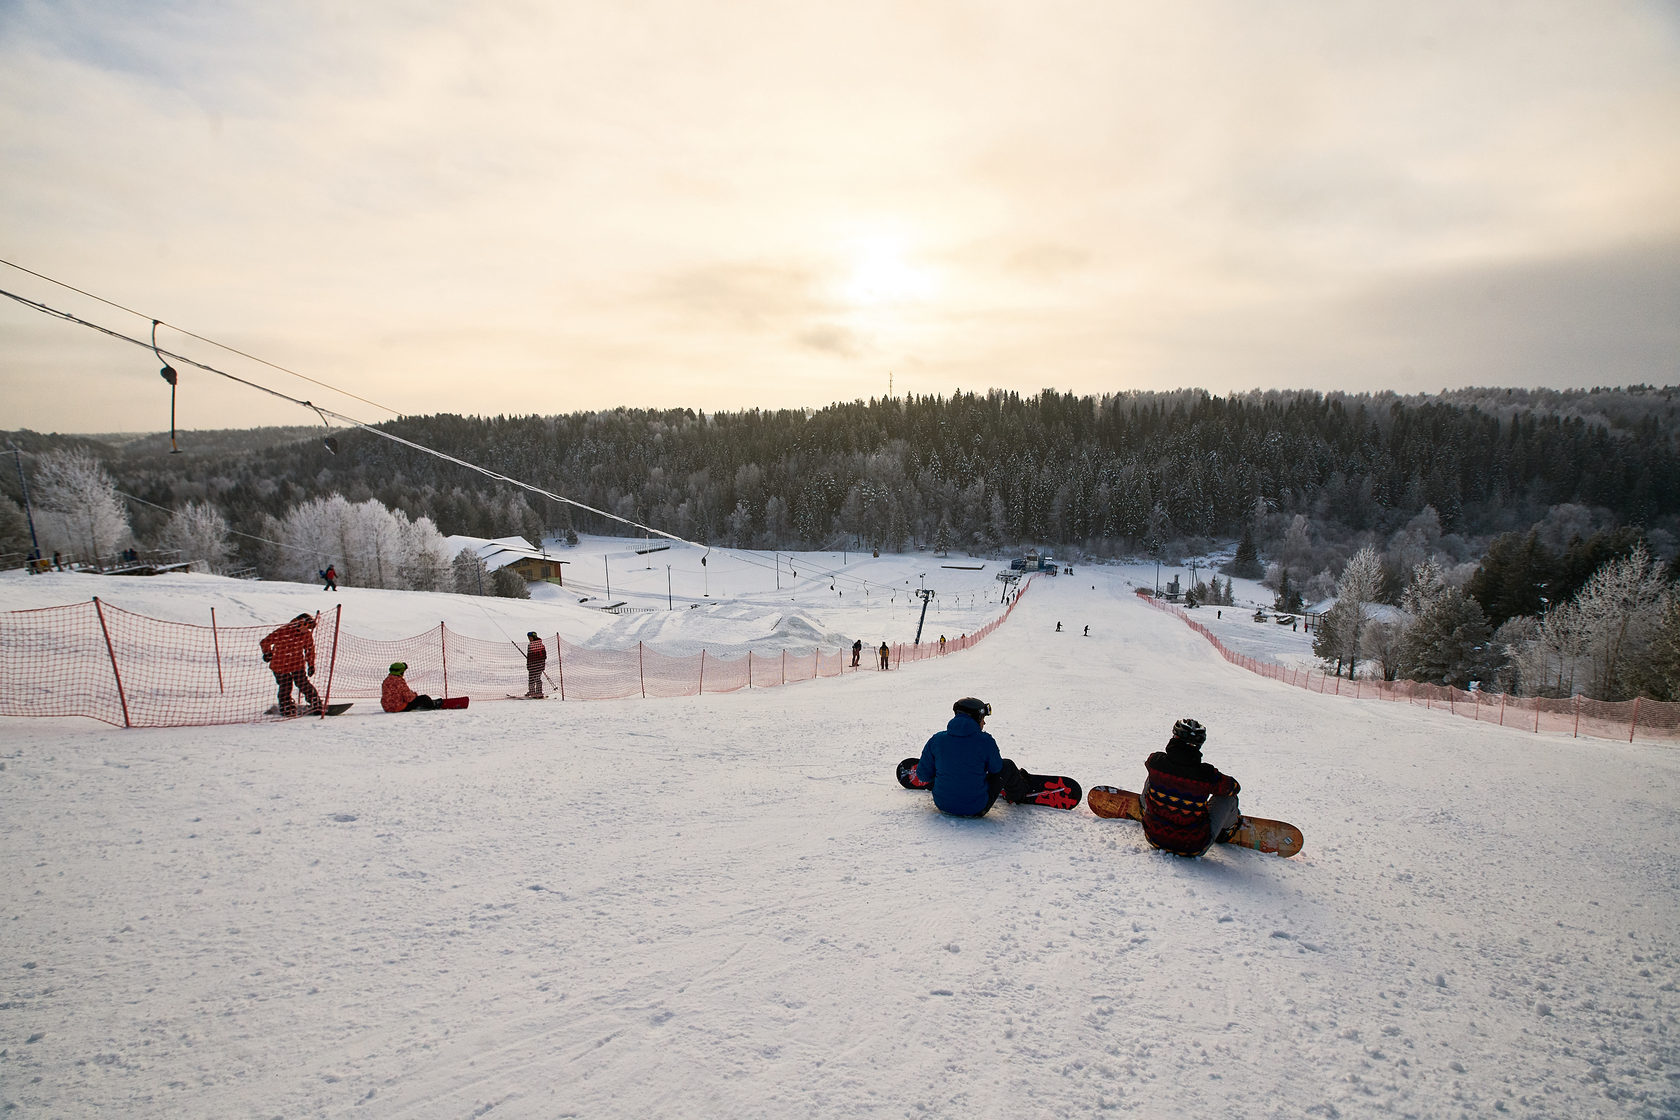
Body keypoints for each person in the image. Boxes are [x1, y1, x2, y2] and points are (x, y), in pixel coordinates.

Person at [1140, 718, 1243, 857]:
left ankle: (1146, 808)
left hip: (1154, 837)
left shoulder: (1155, 760)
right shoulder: (1207, 774)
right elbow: (1234, 788)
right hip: (1193, 846)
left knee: (1154, 775)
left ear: (1174, 737)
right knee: (1228, 798)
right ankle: (1225, 832)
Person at [918, 697, 1020, 818]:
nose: (984, 723)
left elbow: (923, 775)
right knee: (1007, 765)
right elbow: (996, 769)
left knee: (941, 765)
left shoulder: (937, 740)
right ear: (977, 719)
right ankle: (1020, 794)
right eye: (983, 719)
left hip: (943, 805)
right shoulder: (985, 741)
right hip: (976, 808)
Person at [260, 613, 321, 717]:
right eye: (307, 627)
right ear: (301, 624)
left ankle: (316, 702)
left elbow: (309, 650)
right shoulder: (283, 631)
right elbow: (265, 642)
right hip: (280, 664)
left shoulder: (306, 635)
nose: (308, 630)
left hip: (297, 664)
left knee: (303, 683)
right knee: (286, 685)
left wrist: (311, 665)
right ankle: (286, 706)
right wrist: (267, 653)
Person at [525, 631, 547, 698]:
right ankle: (538, 693)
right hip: (540, 665)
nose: (529, 639)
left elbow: (530, 657)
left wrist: (528, 665)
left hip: (533, 665)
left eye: (530, 637)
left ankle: (532, 692)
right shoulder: (541, 645)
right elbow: (544, 656)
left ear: (533, 637)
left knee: (532, 679)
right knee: (537, 679)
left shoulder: (531, 645)